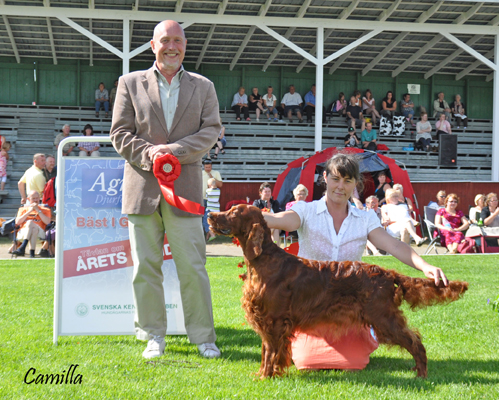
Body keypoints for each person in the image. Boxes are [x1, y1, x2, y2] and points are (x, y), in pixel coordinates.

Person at [261, 153, 448, 371]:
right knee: (308, 363)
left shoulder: (365, 218)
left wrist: (425, 266)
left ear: (355, 184)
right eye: (335, 179)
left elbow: (395, 245)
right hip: (310, 307)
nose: (340, 186)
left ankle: (364, 333)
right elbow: (280, 220)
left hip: (349, 306)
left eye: (347, 180)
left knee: (354, 363)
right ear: (325, 178)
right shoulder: (306, 211)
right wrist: (246, 215)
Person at [110, 20, 221, 360]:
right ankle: (152, 335)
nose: (172, 46)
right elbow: (119, 133)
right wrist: (152, 155)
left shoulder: (204, 86)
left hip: (185, 191)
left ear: (185, 45)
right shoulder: (129, 83)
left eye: (178, 40)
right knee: (146, 268)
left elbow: (211, 131)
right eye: (165, 40)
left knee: (193, 268)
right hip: (142, 190)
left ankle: (204, 337)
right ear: (153, 45)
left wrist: (172, 152)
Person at [12, 190, 51, 258]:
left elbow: (47, 222)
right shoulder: (22, 209)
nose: (35, 200)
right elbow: (17, 222)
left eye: (37, 198)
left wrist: (38, 210)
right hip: (23, 232)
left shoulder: (45, 210)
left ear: (39, 198)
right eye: (33, 198)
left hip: (40, 233)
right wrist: (29, 211)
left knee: (31, 224)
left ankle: (23, 247)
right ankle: (32, 254)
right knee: (32, 227)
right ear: (28, 199)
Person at [202, 160, 223, 241]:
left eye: (209, 167)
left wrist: (212, 177)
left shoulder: (216, 173)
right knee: (203, 218)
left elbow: (220, 184)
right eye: (206, 167)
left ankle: (210, 234)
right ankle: (207, 235)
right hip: (202, 199)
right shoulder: (200, 173)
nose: (208, 169)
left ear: (212, 166)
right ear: (203, 166)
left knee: (208, 218)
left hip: (210, 200)